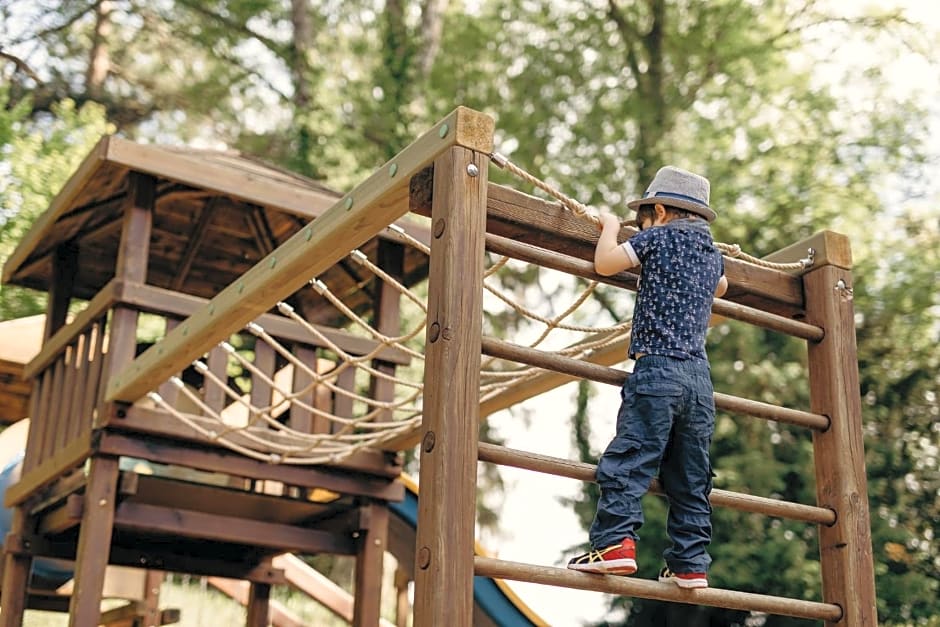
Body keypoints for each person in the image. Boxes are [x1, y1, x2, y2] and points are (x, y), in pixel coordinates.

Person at [567, 165, 728, 590]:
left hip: (657, 370)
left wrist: (606, 227)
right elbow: (722, 287)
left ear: (658, 210)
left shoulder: (657, 237)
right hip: (699, 381)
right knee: (692, 476)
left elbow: (605, 263)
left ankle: (615, 545)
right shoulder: (712, 254)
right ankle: (690, 563)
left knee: (632, 457)